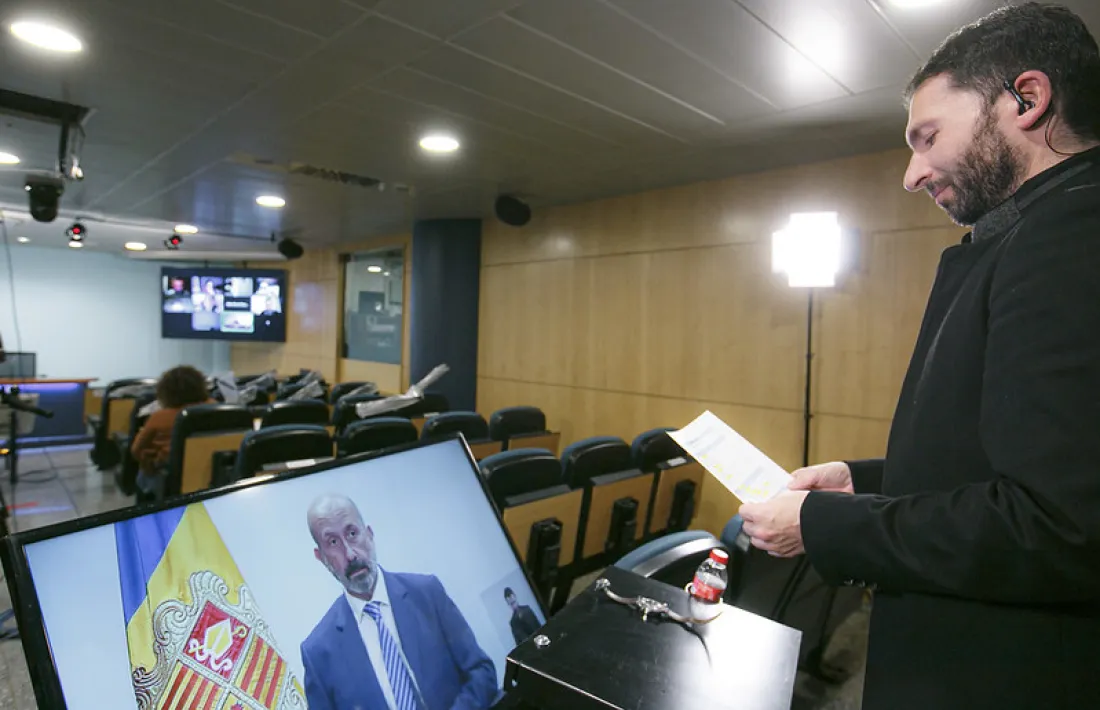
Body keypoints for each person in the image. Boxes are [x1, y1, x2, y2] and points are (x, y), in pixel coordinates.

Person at [737, 5, 1100, 709]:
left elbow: (1058, 527)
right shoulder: (1036, 234)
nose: (912, 173)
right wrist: (866, 482)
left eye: (927, 137)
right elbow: (1005, 457)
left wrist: (825, 526)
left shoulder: (1070, 236)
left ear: (1027, 99)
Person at [301, 493, 498, 710]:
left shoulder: (427, 593)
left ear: (369, 535)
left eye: (352, 533)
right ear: (321, 558)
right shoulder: (317, 652)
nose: (350, 554)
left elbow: (481, 672)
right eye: (333, 542)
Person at [130, 365, 211, 502]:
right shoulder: (215, 407)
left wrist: (149, 458)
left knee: (142, 475)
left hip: (172, 478)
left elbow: (136, 450)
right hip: (210, 473)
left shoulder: (159, 417)